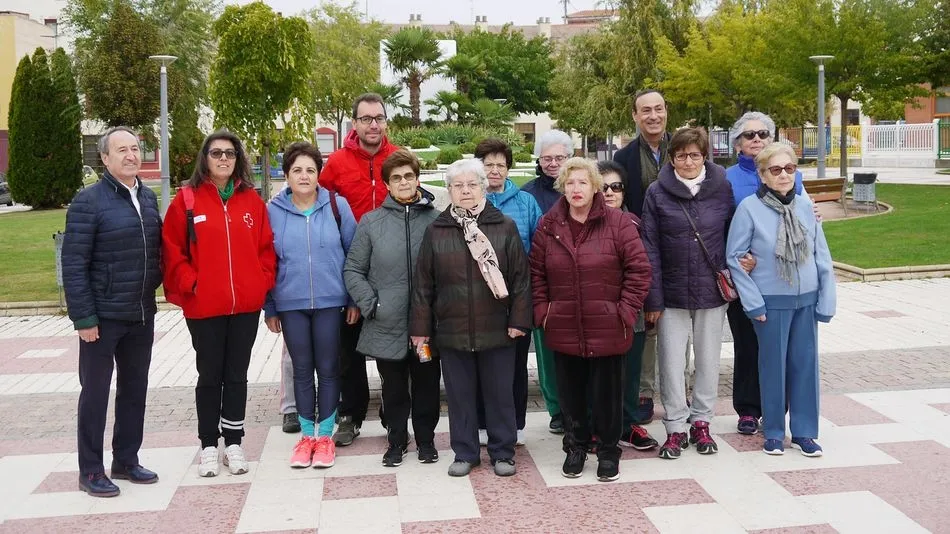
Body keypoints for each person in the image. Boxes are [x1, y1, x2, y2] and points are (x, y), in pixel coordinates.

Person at [530, 157, 652, 482]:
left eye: (583, 182)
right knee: (571, 395)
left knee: (607, 395)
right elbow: (537, 273)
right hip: (565, 325)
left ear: (594, 186)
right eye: (570, 183)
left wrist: (623, 312)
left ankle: (609, 452)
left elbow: (639, 271)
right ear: (562, 187)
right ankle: (576, 447)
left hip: (608, 327)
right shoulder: (549, 225)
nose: (576, 189)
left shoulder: (618, 223)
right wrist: (544, 311)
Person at [162, 129, 276, 477]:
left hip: (244, 306)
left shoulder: (251, 201)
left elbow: (266, 249)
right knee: (210, 375)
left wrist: (260, 283)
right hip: (204, 306)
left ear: (238, 159)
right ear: (205, 158)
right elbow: (172, 250)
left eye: (230, 153)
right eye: (216, 153)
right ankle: (209, 444)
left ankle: (235, 441)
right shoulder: (187, 200)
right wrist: (190, 284)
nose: (223, 158)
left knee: (237, 374)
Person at [410, 158, 532, 478]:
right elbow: (423, 285)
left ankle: (502, 452)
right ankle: (464, 452)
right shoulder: (436, 230)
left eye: (471, 184)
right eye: (458, 186)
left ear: (483, 187)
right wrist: (421, 330)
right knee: (460, 396)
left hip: (498, 329)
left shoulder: (503, 226)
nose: (465, 191)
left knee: (500, 394)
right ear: (448, 191)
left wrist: (519, 320)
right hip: (452, 331)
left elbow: (521, 279)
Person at [63, 126, 163, 497]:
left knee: (134, 389)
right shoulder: (88, 202)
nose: (130, 155)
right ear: (104, 158)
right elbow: (74, 263)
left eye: (135, 148)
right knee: (95, 393)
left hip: (140, 313)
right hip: (102, 318)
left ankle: (126, 459)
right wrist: (84, 318)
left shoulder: (148, 198)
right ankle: (90, 470)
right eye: (121, 150)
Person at [726, 142, 836, 457]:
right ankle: (773, 430)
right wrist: (752, 303)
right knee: (772, 368)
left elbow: (821, 254)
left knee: (805, 367)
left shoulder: (805, 205)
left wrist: (825, 300)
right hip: (770, 301)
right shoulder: (749, 208)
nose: (784, 175)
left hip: (806, 301)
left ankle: (804, 432)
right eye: (776, 170)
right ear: (763, 175)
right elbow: (734, 258)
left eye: (789, 168)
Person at [640, 127, 734, 460]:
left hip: (711, 289)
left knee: (708, 359)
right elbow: (649, 246)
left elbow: (733, 234)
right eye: (681, 155)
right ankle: (676, 425)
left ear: (704, 155)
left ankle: (702, 421)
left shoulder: (722, 187)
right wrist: (654, 297)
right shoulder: (656, 193)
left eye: (695, 154)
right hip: (672, 292)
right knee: (671, 361)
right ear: (671, 158)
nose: (688, 161)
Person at [263, 141, 358, 468]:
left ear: (319, 174)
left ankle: (325, 438)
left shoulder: (337, 206)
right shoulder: (272, 211)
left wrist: (352, 298)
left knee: (330, 369)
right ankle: (306, 438)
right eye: (296, 170)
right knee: (302, 371)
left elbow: (354, 256)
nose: (304, 176)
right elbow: (266, 262)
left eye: (310, 170)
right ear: (286, 175)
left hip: (332, 302)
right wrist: (270, 306)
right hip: (291, 305)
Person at [344, 149, 441, 467]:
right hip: (387, 323)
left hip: (427, 326)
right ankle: (396, 441)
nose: (403, 182)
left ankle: (426, 441)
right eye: (396, 177)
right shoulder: (371, 223)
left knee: (427, 384)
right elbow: (353, 270)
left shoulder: (437, 220)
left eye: (409, 176)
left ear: (417, 179)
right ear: (386, 184)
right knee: (395, 389)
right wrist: (372, 304)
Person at [320, 93, 400, 447]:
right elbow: (321, 211)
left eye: (378, 118)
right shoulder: (336, 164)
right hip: (347, 269)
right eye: (366, 118)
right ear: (354, 124)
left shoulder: (398, 158)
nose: (373, 124)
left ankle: (393, 413)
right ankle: (350, 414)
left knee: (390, 347)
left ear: (386, 121)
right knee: (347, 350)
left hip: (391, 271)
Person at [725, 111, 807, 435]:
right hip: (744, 274)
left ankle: (777, 407)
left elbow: (799, 220)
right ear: (737, 143)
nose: (756, 139)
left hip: (781, 275)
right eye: (749, 135)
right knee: (747, 346)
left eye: (762, 134)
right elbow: (720, 223)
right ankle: (747, 409)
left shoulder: (791, 176)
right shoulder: (726, 178)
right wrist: (736, 258)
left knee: (780, 348)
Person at [475, 138, 542, 447]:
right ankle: (482, 423)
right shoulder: (470, 200)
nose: (495, 170)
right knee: (482, 364)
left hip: (517, 296)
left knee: (515, 366)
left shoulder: (526, 202)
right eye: (488, 164)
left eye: (501, 164)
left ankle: (516, 424)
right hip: (478, 298)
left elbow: (541, 247)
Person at [613, 89, 673, 424]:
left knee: (679, 326)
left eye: (659, 109)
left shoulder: (681, 152)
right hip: (638, 250)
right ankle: (644, 393)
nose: (653, 116)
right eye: (645, 110)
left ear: (666, 112)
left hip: (677, 251)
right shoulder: (623, 159)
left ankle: (680, 392)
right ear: (635, 117)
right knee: (647, 328)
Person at [596, 160, 659, 451]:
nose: (609, 192)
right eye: (603, 186)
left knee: (630, 372)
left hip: (630, 312)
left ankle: (627, 424)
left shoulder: (635, 222)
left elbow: (646, 267)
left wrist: (646, 304)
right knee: (599, 376)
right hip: (596, 314)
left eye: (616, 187)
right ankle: (598, 428)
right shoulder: (583, 223)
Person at [520, 129, 572, 434]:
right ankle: (556, 408)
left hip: (580, 283)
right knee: (548, 352)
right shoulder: (529, 195)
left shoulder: (582, 187)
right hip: (544, 286)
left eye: (559, 157)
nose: (553, 163)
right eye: (547, 158)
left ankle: (580, 405)